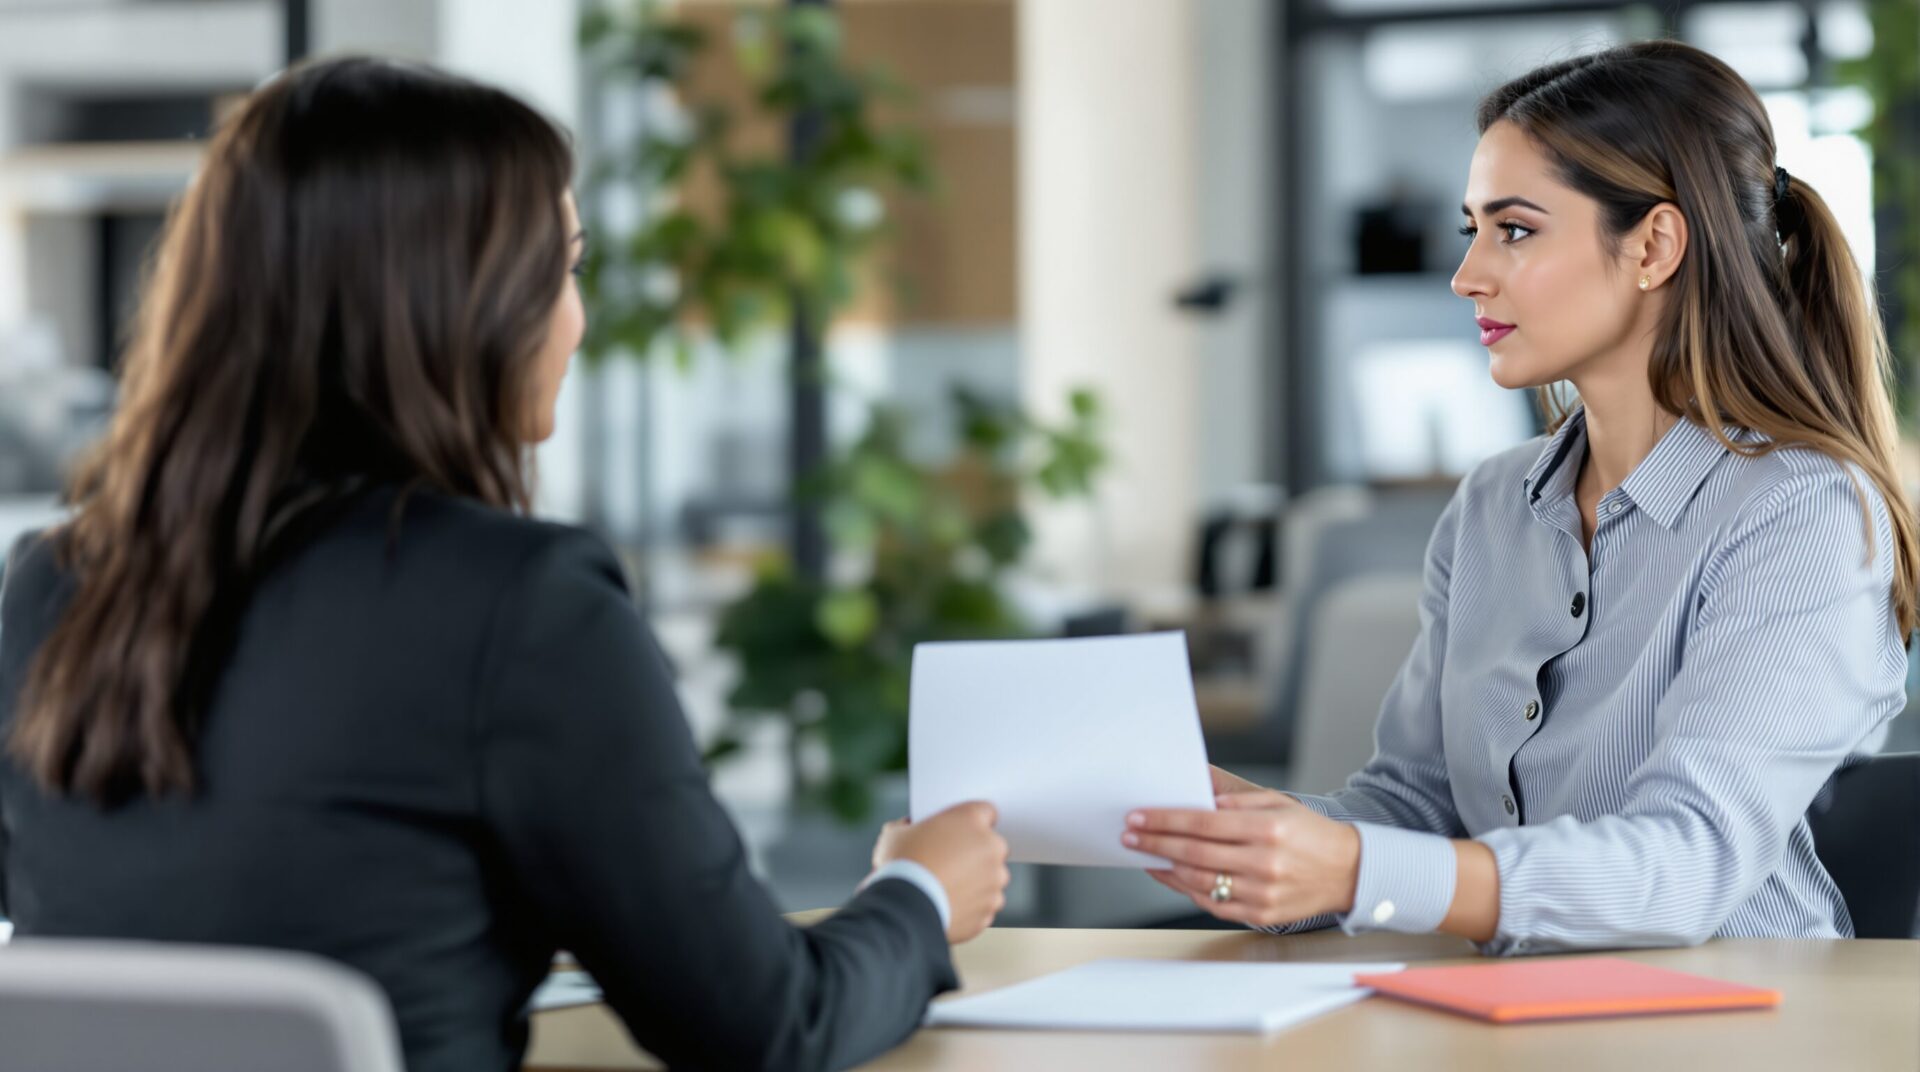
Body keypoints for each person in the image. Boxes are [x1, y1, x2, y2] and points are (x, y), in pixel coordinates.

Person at [0, 57, 1009, 1072]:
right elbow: (767, 1026)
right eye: (565, 271)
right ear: (457, 302)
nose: (577, 321)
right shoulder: (521, 602)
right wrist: (916, 893)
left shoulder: (54, 586)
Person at [1124, 40, 1916, 955]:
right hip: (1502, 1011)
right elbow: (1418, 806)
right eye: (1473, 230)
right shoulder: (1494, 507)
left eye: (1516, 229)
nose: (1468, 275)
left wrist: (1351, 868)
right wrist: (1255, 835)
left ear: (1654, 244)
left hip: (1742, 1026)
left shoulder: (1802, 513)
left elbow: (1689, 864)